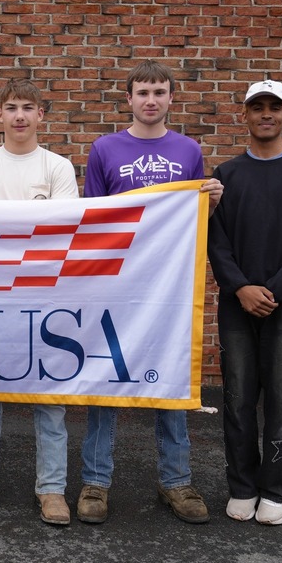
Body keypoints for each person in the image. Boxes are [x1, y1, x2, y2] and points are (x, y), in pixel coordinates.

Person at [77, 60, 224, 525]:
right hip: (116, 285)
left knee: (171, 381)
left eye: (159, 92)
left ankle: (176, 481)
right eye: (143, 92)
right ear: (129, 99)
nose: (151, 100)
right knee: (104, 381)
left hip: (170, 287)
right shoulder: (104, 149)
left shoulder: (188, 150)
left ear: (171, 98)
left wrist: (210, 205)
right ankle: (95, 482)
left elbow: (192, 225)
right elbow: (93, 220)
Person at [0, 78, 80, 526]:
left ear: (42, 115)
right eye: (12, 107)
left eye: (28, 107)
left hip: (46, 296)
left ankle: (52, 490)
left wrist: (8, 226)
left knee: (50, 397)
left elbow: (60, 229)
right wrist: (24, 226)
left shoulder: (58, 167)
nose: (20, 115)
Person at [207, 79, 282, 526]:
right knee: (238, 397)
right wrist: (240, 287)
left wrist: (274, 291)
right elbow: (215, 242)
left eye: (273, 107)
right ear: (244, 115)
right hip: (236, 303)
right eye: (256, 107)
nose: (265, 114)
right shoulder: (225, 176)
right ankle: (241, 486)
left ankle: (274, 490)